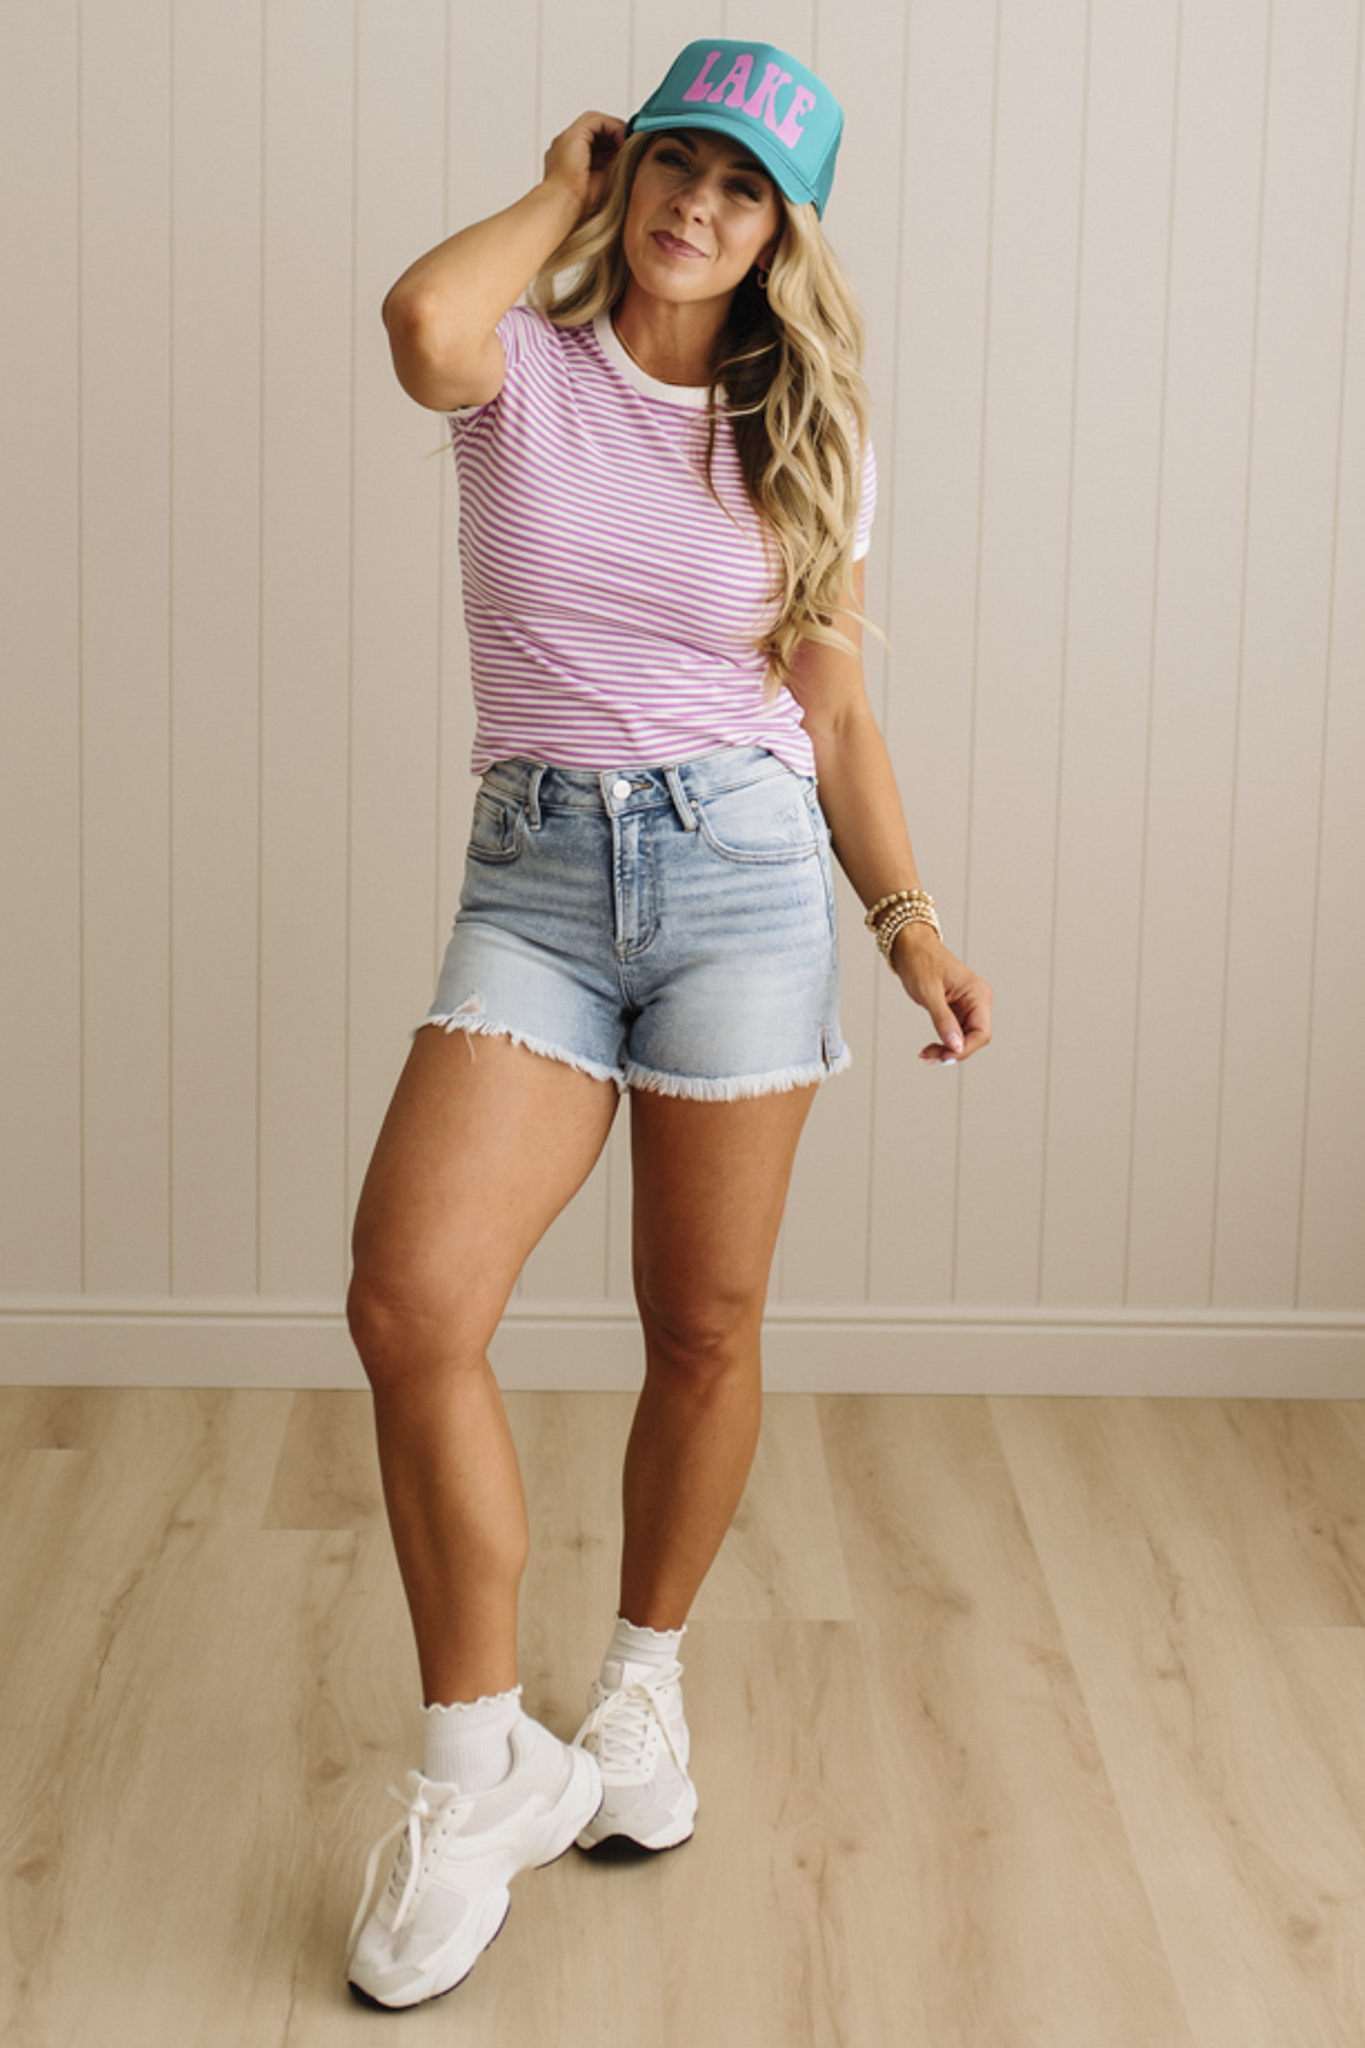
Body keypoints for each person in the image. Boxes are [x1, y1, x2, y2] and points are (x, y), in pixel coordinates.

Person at [343, 37, 993, 2012]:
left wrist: (908, 921)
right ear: (628, 174)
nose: (697, 206)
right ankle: (479, 1769)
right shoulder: (522, 373)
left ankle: (639, 1688)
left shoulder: (811, 426)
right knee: (410, 1303)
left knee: (701, 1324)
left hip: (741, 880)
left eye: (742, 188)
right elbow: (417, 321)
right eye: (674, 165)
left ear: (784, 231)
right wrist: (556, 182)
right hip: (535, 878)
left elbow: (836, 711)